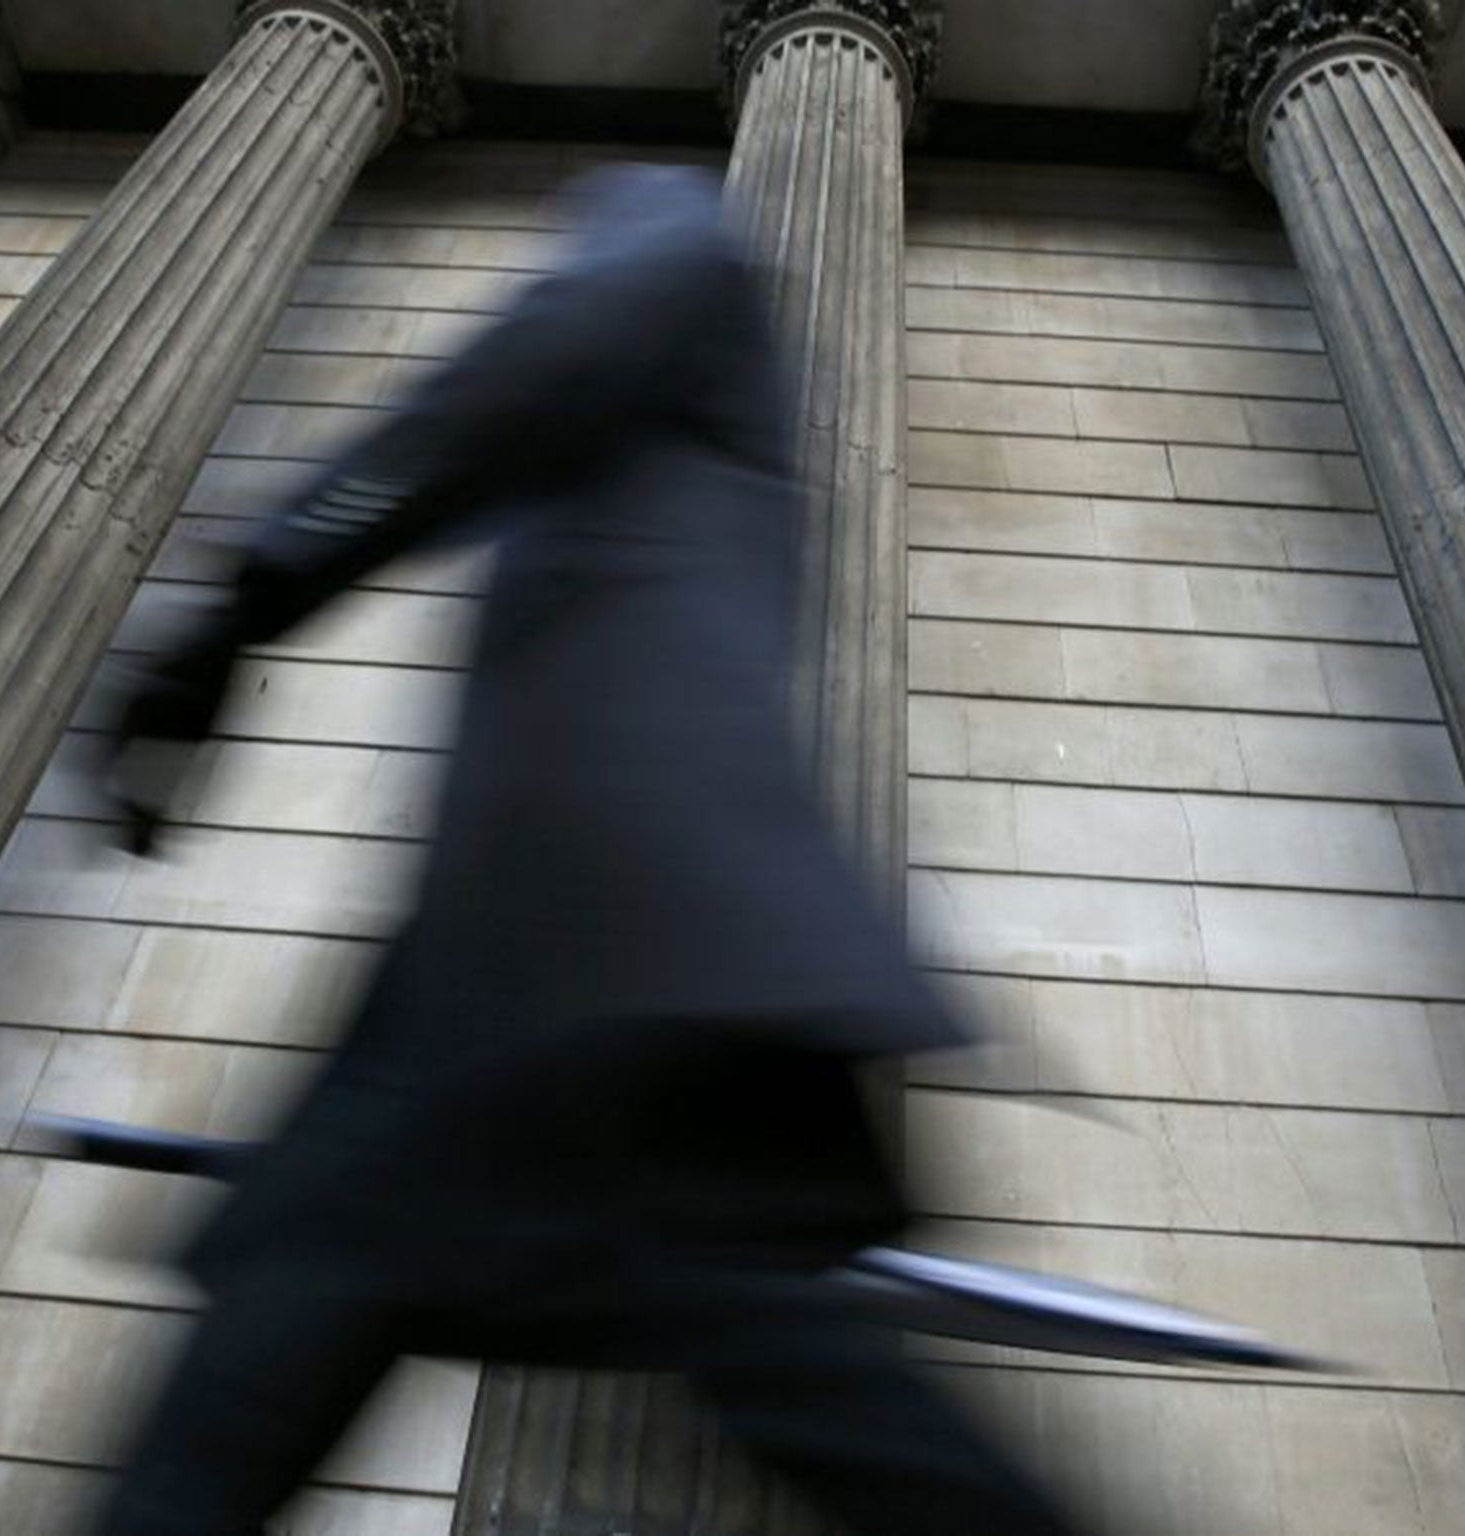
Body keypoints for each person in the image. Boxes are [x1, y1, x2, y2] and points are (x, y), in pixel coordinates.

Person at [92, 164, 1080, 1536]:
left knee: (273, 1345)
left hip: (617, 959)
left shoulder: (677, 253)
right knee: (284, 1328)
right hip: (526, 983)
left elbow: (543, 354)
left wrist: (251, 588)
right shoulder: (654, 447)